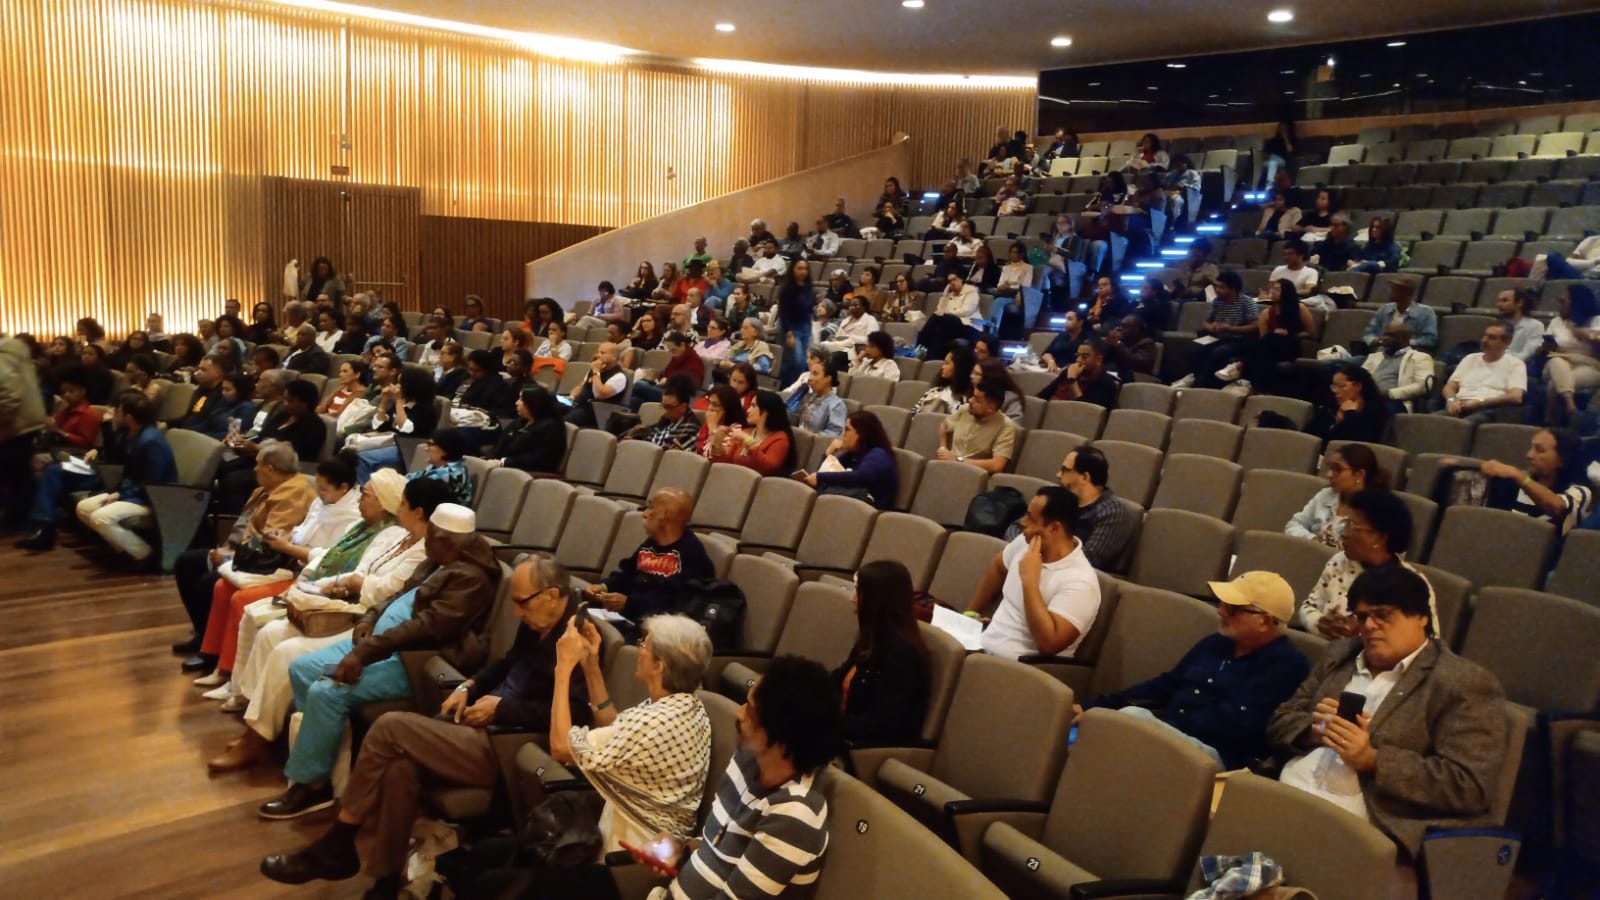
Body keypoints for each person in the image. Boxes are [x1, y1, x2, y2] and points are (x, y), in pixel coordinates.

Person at [257, 556, 609, 898]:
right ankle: (385, 883)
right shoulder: (539, 619)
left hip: (512, 748)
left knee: (391, 727)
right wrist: (467, 687)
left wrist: (502, 709)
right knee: (399, 769)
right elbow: (508, 663)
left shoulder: (579, 636)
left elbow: (575, 716)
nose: (516, 612)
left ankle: (338, 842)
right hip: (484, 728)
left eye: (522, 603)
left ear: (551, 595)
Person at [258, 500, 502, 819]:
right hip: (380, 645)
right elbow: (400, 594)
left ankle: (312, 783)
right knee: (303, 668)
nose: (423, 542)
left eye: (429, 537)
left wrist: (364, 652)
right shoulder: (439, 557)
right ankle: (322, 756)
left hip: (414, 662)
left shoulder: (472, 578)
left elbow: (426, 627)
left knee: (326, 692)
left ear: (447, 541)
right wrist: (369, 617)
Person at [1270, 565, 1507, 860]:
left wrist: (1373, 760)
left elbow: (1468, 786)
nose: (1368, 626)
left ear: (1421, 617)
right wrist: (1313, 731)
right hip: (1287, 793)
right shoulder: (1340, 656)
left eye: (1383, 614)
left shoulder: (1461, 683)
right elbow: (1281, 717)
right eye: (1362, 616)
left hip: (1363, 826)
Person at [208, 470, 429, 765]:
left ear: (418, 511)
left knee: (286, 653)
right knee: (270, 634)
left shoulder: (422, 549)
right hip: (344, 603)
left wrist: (351, 584)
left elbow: (389, 590)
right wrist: (334, 583)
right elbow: (361, 570)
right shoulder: (395, 536)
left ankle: (258, 738)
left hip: (364, 620)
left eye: (402, 504)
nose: (397, 508)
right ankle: (257, 721)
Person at [1077, 571, 1309, 769]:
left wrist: (1165, 724)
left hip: (1211, 759)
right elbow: (1165, 685)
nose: (1221, 611)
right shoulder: (1216, 643)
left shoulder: (1287, 666)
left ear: (1265, 621)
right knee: (1103, 725)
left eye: (1233, 608)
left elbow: (1241, 730)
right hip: (1170, 733)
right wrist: (1092, 707)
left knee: (1128, 721)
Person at [191, 456, 362, 700]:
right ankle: (212, 654)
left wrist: (287, 547)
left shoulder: (351, 518)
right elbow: (302, 530)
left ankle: (229, 674)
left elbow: (328, 559)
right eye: (318, 487)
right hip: (289, 562)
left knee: (242, 599)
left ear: (343, 488)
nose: (319, 493)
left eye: (324, 489)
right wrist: (286, 536)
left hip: (307, 578)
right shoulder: (322, 503)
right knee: (222, 585)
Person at [173, 440, 319, 673]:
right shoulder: (265, 488)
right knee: (185, 563)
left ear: (270, 468)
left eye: (257, 464)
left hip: (262, 561)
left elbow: (269, 542)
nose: (254, 469)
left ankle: (212, 648)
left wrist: (231, 556)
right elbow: (242, 526)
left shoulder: (293, 493)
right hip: (238, 551)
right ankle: (203, 633)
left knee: (207, 583)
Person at [16, 390, 176, 557]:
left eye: (117, 411)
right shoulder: (131, 433)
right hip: (128, 488)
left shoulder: (150, 441)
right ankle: (122, 550)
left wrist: (120, 494)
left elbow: (152, 483)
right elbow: (116, 457)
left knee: (100, 517)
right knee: (83, 507)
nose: (113, 413)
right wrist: (105, 432)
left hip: (152, 499)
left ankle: (144, 554)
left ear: (128, 417)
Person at [968, 486, 1101, 659]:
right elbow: (998, 566)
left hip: (1020, 670)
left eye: (1030, 518)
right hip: (981, 647)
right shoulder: (1026, 543)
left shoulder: (1081, 583)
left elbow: (1049, 644)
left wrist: (1030, 582)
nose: (1023, 522)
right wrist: (970, 614)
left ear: (1054, 528)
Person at [1300, 489, 1435, 639]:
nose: (1343, 534)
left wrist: (1358, 635)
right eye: (1345, 524)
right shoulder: (1340, 562)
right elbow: (1309, 607)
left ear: (1380, 537)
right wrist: (1320, 623)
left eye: (1352, 526)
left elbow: (1428, 643)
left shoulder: (1412, 585)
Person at [830, 560, 929, 743]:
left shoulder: (902, 656)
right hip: (841, 733)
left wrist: (825, 724)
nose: (853, 599)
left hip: (861, 752)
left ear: (876, 601)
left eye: (858, 592)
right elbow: (836, 679)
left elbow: (882, 725)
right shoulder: (871, 639)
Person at [585, 487, 714, 623]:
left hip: (655, 628)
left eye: (651, 508)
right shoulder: (652, 542)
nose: (644, 514)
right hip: (628, 617)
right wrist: (604, 587)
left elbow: (679, 607)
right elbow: (628, 574)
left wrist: (630, 603)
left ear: (665, 516)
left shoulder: (692, 554)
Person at [217, 378, 327, 513]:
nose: (285, 403)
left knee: (233, 480)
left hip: (279, 470)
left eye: (290, 400)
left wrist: (256, 448)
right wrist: (245, 440)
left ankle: (237, 517)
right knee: (218, 467)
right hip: (256, 459)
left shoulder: (314, 425)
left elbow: (293, 454)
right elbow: (262, 435)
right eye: (285, 399)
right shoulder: (283, 416)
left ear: (304, 403)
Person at [1475, 427, 1593, 537]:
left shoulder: (1581, 491)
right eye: (1531, 448)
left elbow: (1557, 508)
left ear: (1563, 459)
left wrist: (1518, 475)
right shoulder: (1514, 485)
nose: (1529, 455)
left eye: (1539, 450)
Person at [1286, 444, 1390, 548]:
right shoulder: (1326, 495)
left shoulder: (1377, 510)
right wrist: (1314, 540)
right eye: (1330, 467)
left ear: (1359, 474)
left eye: (1338, 469)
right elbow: (1293, 525)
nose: (1329, 474)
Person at [792, 410, 898, 510]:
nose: (843, 435)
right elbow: (825, 473)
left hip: (871, 508)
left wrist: (820, 477)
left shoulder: (878, 454)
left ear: (862, 434)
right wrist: (829, 452)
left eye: (847, 430)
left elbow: (860, 476)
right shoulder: (853, 453)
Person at [1054, 447, 1138, 571]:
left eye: (1065, 470)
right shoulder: (1063, 499)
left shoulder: (1113, 511)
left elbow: (1088, 559)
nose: (1058, 475)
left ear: (1084, 477)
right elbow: (1024, 525)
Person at [353, 368, 439, 481]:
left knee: (362, 457)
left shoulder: (425, 409)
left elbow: (406, 429)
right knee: (350, 450)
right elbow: (380, 425)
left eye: (400, 383)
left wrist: (399, 400)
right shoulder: (399, 404)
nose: (397, 386)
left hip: (408, 447)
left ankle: (366, 490)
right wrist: (384, 401)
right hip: (392, 441)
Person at [1441, 322, 1527, 423]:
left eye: (1491, 337)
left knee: (1460, 425)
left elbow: (1515, 396)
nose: (1484, 340)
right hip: (1458, 406)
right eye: (1484, 336)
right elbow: (1449, 387)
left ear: (1507, 341)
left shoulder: (1515, 364)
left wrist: (1480, 402)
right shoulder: (1470, 358)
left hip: (1488, 409)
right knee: (1428, 421)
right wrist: (1451, 400)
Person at [1188, 272, 1261, 389]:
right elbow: (1206, 322)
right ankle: (1195, 379)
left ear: (1233, 289)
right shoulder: (1218, 301)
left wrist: (1230, 328)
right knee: (1195, 349)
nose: (1217, 290)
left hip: (1240, 340)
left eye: (1221, 287)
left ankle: (1199, 386)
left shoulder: (1247, 302)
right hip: (1219, 337)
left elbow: (1255, 325)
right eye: (1217, 286)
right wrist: (1212, 327)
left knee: (1217, 353)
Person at [1541, 283, 1599, 425]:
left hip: (1589, 366)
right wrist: (1546, 347)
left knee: (1554, 386)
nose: (1559, 305)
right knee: (1556, 361)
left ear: (1577, 303)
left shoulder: (1596, 320)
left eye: (1563, 301)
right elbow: (1546, 351)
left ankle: (1551, 423)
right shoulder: (1556, 322)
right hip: (1556, 363)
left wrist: (1586, 334)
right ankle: (1571, 406)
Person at [938, 380, 1017, 474]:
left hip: (975, 475)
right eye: (972, 396)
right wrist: (943, 448)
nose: (970, 400)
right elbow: (945, 425)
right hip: (948, 468)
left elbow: (997, 465)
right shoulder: (965, 409)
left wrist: (958, 460)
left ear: (990, 407)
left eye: (977, 399)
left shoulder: (1005, 425)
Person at [714, 389, 797, 476]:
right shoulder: (746, 432)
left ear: (765, 412)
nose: (748, 410)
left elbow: (768, 467)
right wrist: (717, 443)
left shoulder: (780, 438)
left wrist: (748, 439)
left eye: (753, 406)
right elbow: (726, 461)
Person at [488, 386, 568, 474]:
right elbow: (502, 442)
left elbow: (539, 458)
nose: (516, 403)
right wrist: (492, 459)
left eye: (521, 399)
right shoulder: (520, 422)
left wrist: (504, 463)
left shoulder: (551, 427)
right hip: (505, 466)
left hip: (527, 472)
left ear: (533, 403)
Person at [1361, 323, 1435, 414]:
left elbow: (1423, 386)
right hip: (1368, 399)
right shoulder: (1374, 357)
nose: (1385, 339)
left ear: (1404, 339)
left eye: (1391, 336)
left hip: (1396, 402)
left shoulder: (1420, 358)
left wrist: (1389, 393)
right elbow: (1359, 378)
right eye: (1384, 335)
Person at [1359, 275, 1437, 354]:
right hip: (1380, 354)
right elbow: (1368, 334)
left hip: (1408, 356)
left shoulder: (1425, 312)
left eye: (1396, 289)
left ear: (1408, 293)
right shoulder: (1384, 309)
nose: (1391, 292)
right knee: (1350, 362)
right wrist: (1376, 340)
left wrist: (1402, 342)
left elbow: (1430, 340)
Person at [623, 375, 701, 451]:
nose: (665, 411)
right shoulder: (665, 420)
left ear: (683, 406)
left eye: (670, 407)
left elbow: (670, 456)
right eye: (663, 406)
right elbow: (652, 438)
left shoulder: (690, 428)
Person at [1039, 338, 1120, 407]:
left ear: (1099, 360)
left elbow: (1086, 413)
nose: (1078, 360)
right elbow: (1041, 397)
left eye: (1084, 357)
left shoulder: (1106, 383)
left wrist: (1072, 381)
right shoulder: (1069, 371)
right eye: (1077, 355)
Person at [1322, 365, 1389, 445]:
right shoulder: (1331, 406)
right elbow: (1310, 437)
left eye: (1341, 386)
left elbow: (1356, 445)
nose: (1335, 391)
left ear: (1358, 386)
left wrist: (1350, 415)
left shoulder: (1374, 411)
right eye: (1334, 386)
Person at [566, 341, 629, 428]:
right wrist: (571, 397)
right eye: (598, 352)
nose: (598, 355)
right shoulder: (595, 369)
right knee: (551, 406)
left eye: (603, 353)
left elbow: (600, 394)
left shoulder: (620, 377)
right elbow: (581, 387)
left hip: (595, 413)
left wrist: (596, 372)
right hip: (577, 404)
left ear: (614, 357)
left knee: (565, 421)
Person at [405, 428, 473, 505]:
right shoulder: (438, 467)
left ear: (445, 449)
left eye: (430, 445)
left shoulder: (448, 474)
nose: (426, 449)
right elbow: (412, 478)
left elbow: (416, 493)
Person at [775, 257, 814, 385]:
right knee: (794, 362)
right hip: (790, 328)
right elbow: (783, 312)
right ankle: (783, 388)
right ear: (793, 270)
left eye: (805, 268)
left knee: (803, 363)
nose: (803, 272)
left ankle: (795, 390)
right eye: (800, 268)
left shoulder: (809, 288)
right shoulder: (786, 289)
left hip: (805, 328)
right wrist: (788, 333)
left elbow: (808, 309)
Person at [910, 346, 975, 415]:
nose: (943, 367)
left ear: (959, 367)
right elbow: (914, 413)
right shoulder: (935, 390)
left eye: (947, 363)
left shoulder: (967, 400)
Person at [1492, 287, 1546, 362]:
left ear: (1519, 303)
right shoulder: (1496, 325)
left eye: (1504, 300)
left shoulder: (1535, 326)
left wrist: (1500, 357)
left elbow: (1527, 355)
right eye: (1499, 301)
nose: (1499, 305)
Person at [792, 363, 846, 436]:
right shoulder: (808, 397)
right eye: (810, 373)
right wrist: (795, 397)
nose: (810, 378)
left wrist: (812, 437)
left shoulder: (836, 405)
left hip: (812, 444)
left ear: (828, 378)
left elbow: (835, 433)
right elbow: (793, 418)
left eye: (815, 374)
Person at [1039, 309, 1089, 373]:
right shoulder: (1062, 335)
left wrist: (1066, 369)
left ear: (1080, 322)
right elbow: (1046, 353)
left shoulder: (1088, 339)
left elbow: (1084, 362)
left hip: (1074, 373)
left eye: (1069, 319)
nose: (1065, 322)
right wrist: (1050, 361)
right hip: (1055, 370)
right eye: (1065, 319)